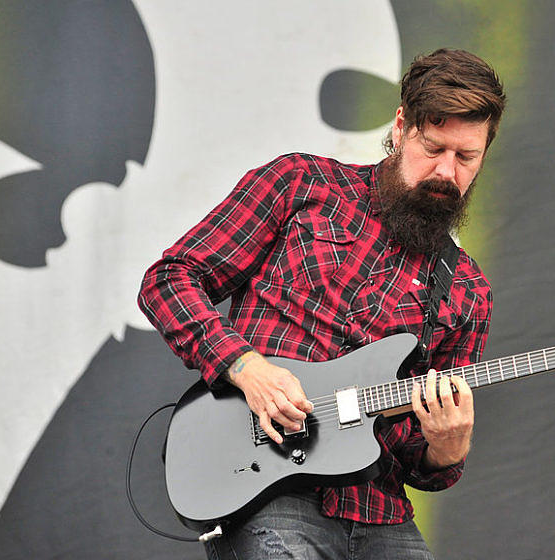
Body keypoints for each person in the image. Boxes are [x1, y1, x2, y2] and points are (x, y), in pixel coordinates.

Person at [138, 48, 505, 559]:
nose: (446, 171)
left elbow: (420, 459)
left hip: (380, 511)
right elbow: (170, 280)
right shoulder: (303, 185)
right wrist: (246, 367)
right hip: (269, 487)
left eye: (466, 157)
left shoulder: (467, 290)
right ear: (401, 128)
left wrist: (448, 446)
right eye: (434, 147)